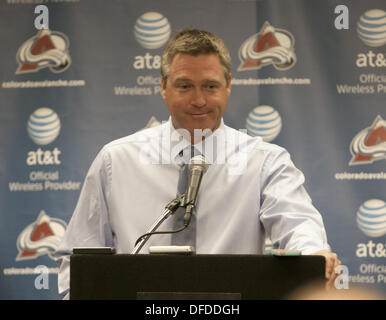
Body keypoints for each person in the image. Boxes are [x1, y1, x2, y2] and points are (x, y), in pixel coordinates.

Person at [54, 28, 341, 299]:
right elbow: (77, 258)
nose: (199, 100)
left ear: (228, 86)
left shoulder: (265, 161)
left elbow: (298, 224)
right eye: (185, 86)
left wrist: (312, 253)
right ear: (163, 86)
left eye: (210, 86)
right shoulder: (115, 160)